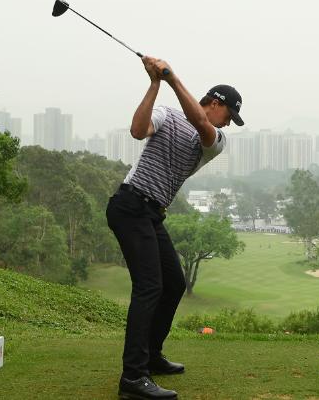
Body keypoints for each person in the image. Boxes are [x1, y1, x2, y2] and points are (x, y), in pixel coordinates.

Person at [106, 56, 243, 399]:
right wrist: (155, 83)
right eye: (228, 115)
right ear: (216, 103)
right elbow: (138, 131)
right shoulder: (166, 114)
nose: (227, 124)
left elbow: (199, 122)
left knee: (174, 283)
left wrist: (170, 76)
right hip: (130, 205)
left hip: (152, 214)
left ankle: (151, 356)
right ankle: (133, 379)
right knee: (150, 287)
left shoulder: (214, 140)